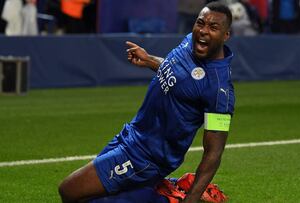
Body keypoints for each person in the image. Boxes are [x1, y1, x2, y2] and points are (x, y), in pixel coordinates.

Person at [58, 2, 235, 203]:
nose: (203, 31)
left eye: (213, 28)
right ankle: (167, 189)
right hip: (132, 135)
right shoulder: (190, 42)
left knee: (69, 191)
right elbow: (176, 71)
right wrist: (149, 60)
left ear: (226, 35)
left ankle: (169, 198)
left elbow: (214, 152)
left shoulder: (220, 90)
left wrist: (192, 200)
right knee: (89, 196)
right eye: (200, 23)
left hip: (146, 157)